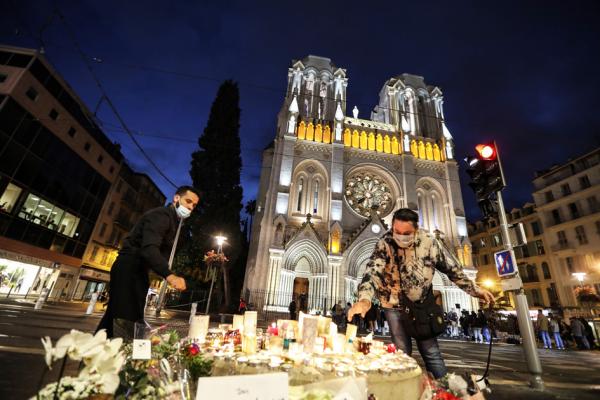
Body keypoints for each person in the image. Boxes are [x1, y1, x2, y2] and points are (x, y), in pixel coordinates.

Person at [347, 208, 494, 378]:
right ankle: (405, 390)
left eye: (406, 233)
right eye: (397, 231)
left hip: (422, 307)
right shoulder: (385, 242)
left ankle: (443, 389)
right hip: (394, 306)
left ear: (416, 230)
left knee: (431, 352)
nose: (401, 236)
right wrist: (365, 299)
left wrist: (476, 290)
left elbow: (452, 270)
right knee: (401, 353)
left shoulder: (429, 242)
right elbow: (373, 271)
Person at [97, 186, 198, 339]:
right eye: (188, 201)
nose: (190, 207)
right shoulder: (161, 216)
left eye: (194, 205)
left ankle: (93, 356)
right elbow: (149, 249)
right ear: (176, 198)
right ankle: (121, 356)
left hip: (138, 270)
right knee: (126, 319)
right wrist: (170, 276)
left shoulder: (173, 221)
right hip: (129, 267)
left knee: (115, 318)